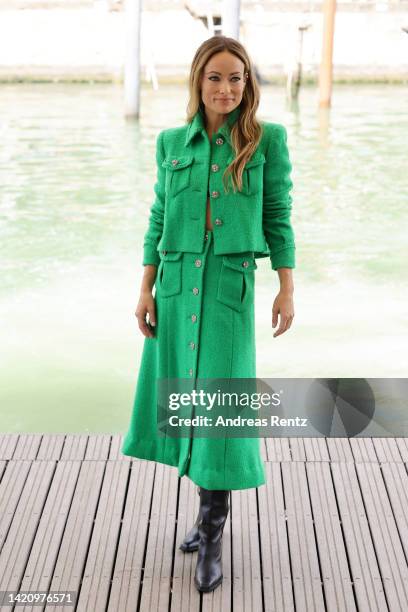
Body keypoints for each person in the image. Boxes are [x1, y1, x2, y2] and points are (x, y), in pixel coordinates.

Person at [121, 35, 295, 593]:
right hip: (175, 291)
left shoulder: (267, 140)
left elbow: (278, 214)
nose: (226, 88)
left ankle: (212, 535)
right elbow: (157, 218)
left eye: (236, 79)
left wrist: (286, 288)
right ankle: (203, 520)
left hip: (226, 294)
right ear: (199, 81)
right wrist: (145, 289)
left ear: (248, 86)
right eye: (215, 77)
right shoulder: (172, 142)